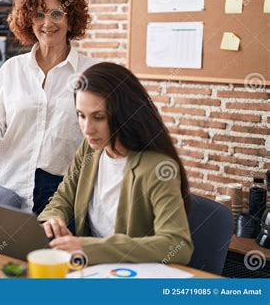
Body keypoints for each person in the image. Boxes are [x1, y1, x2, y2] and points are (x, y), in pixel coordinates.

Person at [0, 0, 96, 213]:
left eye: (57, 14)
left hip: (61, 197)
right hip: (7, 187)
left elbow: (99, 138)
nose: (47, 23)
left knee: (53, 250)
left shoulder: (91, 74)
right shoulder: (12, 68)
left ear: (71, 20)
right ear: (29, 21)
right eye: (39, 15)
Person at [38, 62, 194, 265]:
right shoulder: (89, 151)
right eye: (81, 116)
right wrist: (53, 218)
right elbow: (63, 199)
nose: (87, 129)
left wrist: (89, 247)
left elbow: (177, 245)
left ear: (124, 113)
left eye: (99, 117)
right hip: (90, 269)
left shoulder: (158, 168)